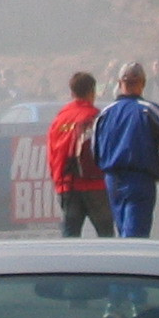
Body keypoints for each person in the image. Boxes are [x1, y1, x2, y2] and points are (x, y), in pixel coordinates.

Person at [91, 64, 159, 239]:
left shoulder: (105, 114)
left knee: (122, 230)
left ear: (119, 83)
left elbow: (95, 150)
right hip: (140, 178)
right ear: (143, 83)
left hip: (113, 178)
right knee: (135, 237)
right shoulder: (149, 110)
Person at [46, 71, 114, 238]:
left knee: (70, 235)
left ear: (72, 93)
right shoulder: (95, 116)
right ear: (92, 91)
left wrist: (58, 180)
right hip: (94, 185)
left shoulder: (60, 118)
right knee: (106, 235)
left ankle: (69, 264)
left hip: (67, 185)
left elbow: (51, 151)